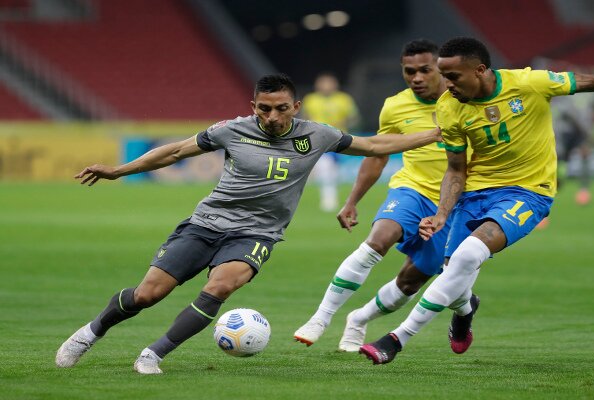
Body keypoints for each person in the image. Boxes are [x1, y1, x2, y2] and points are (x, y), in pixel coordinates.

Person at [55, 73, 442, 375]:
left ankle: (152, 355)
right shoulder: (232, 129)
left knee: (221, 286)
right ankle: (91, 333)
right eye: (263, 109)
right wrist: (119, 171)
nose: (272, 117)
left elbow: (374, 145)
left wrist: (435, 133)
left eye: (280, 109)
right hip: (206, 223)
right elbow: (174, 151)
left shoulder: (318, 134)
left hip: (258, 233)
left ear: (296, 106)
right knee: (146, 295)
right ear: (253, 105)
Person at [359, 38, 594, 364]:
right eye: (444, 76)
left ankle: (395, 339)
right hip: (474, 194)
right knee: (454, 278)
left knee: (468, 256)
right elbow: (456, 169)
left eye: (454, 76)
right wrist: (442, 214)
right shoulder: (448, 107)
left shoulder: (529, 83)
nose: (447, 84)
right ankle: (465, 309)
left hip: (528, 192)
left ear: (480, 70)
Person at [294, 39, 468, 353]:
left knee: (409, 281)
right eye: (409, 71)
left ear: (440, 69)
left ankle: (359, 318)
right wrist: (352, 201)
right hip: (412, 189)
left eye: (424, 70)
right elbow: (377, 156)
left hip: (455, 205)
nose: (416, 77)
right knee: (378, 239)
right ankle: (320, 318)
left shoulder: (467, 102)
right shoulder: (396, 105)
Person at [301, 72, 361, 211]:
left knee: (332, 170)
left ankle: (330, 195)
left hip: (340, 139)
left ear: (335, 84)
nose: (326, 86)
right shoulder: (311, 99)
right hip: (318, 139)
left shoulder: (344, 99)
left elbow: (354, 118)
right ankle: (328, 198)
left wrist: (344, 123)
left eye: (329, 83)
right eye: (323, 83)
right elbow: (304, 118)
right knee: (326, 166)